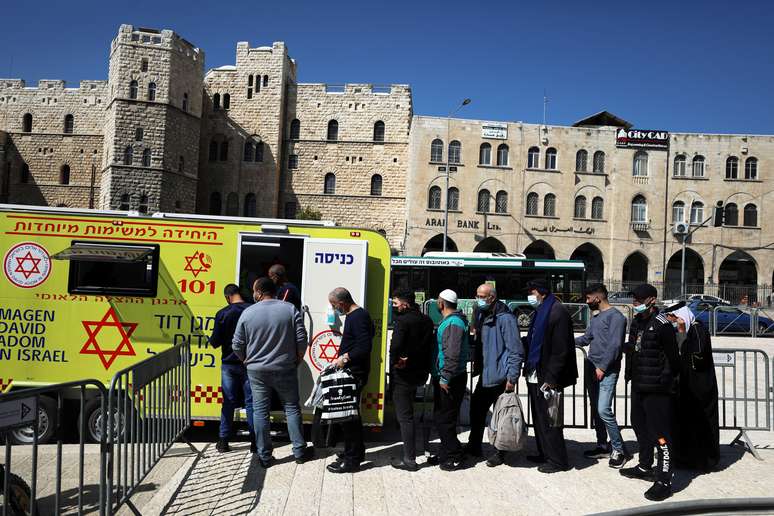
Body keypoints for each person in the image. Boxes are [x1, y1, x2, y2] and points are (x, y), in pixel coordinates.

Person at [232, 277, 313, 468]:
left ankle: (265, 456)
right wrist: (298, 359)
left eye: (253, 291)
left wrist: (246, 360)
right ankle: (300, 451)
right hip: (285, 367)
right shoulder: (289, 309)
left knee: (260, 411)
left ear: (259, 292)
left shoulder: (248, 312)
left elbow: (237, 344)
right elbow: (302, 339)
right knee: (292, 408)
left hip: (256, 370)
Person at [620, 284, 679, 501]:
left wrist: (664, 381)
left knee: (661, 436)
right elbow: (635, 348)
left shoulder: (662, 324)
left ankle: (663, 480)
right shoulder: (636, 321)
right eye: (633, 300)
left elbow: (674, 359)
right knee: (640, 427)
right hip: (638, 385)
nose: (634, 304)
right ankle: (645, 466)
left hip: (657, 389)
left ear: (651, 300)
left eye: (638, 300)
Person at [522, 279, 577, 474]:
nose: (530, 295)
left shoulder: (557, 312)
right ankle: (544, 453)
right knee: (539, 418)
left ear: (542, 293)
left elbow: (560, 350)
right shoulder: (541, 311)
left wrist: (552, 378)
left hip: (548, 377)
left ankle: (558, 460)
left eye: (532, 291)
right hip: (536, 372)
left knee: (551, 420)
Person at [466, 283, 524, 467]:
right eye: (477, 295)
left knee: (502, 415)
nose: (478, 299)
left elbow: (515, 349)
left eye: (482, 296)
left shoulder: (505, 318)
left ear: (492, 297)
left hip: (501, 375)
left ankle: (501, 451)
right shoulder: (483, 314)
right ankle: (474, 445)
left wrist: (512, 378)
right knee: (476, 409)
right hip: (487, 373)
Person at [575, 283, 631, 468]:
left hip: (606, 371)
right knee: (595, 409)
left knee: (603, 410)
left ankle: (619, 450)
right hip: (592, 368)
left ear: (597, 298)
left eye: (589, 298)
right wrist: (564, 341)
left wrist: (603, 367)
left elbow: (615, 346)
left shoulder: (616, 318)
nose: (587, 301)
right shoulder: (597, 317)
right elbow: (586, 338)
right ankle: (602, 445)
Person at [326, 287, 375, 473]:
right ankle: (355, 451)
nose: (334, 309)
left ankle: (352, 460)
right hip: (353, 371)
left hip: (355, 373)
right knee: (350, 416)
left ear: (342, 303)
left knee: (348, 418)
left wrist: (345, 358)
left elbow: (364, 346)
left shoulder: (358, 317)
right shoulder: (356, 316)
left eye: (334, 305)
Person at [665, 303, 720, 471]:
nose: (674, 322)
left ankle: (703, 461)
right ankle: (685, 457)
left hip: (700, 387)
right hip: (688, 386)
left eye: (674, 318)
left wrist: (681, 334)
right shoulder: (690, 331)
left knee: (701, 423)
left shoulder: (697, 331)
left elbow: (694, 360)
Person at [389, 289, 435, 472]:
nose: (394, 307)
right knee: (410, 412)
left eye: (395, 303)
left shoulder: (402, 321)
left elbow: (396, 346)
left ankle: (409, 459)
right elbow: (427, 347)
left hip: (403, 375)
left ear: (405, 304)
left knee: (405, 417)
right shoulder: (427, 320)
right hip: (420, 374)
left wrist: (396, 361)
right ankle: (412, 452)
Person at [210, 284, 255, 453]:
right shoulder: (253, 310)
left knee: (228, 402)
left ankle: (223, 441)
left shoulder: (222, 313)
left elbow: (214, 342)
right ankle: (254, 442)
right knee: (251, 403)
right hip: (250, 364)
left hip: (229, 364)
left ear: (227, 297)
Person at [429, 289, 470, 471]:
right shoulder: (452, 321)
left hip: (451, 378)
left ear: (442, 303)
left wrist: (445, 377)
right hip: (449, 376)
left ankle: (455, 455)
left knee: (445, 419)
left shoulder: (453, 323)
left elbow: (452, 353)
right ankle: (446, 452)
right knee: (442, 417)